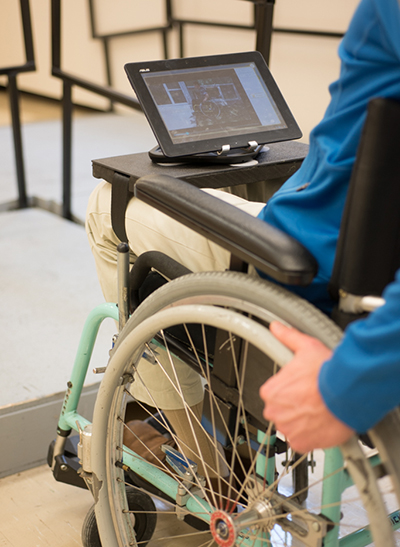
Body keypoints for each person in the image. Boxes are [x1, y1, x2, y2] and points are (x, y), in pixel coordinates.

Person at [86, 0, 400, 464]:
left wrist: (350, 381)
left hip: (305, 267)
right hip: (362, 257)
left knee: (108, 207)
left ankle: (210, 464)